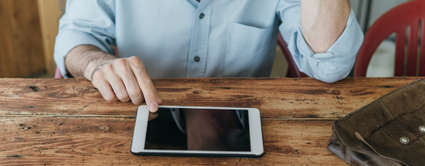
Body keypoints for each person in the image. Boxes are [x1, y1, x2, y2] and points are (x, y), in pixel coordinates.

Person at [55, 0, 363, 112]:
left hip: (241, 133)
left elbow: (331, 64)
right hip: (136, 117)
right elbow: (76, 36)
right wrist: (96, 62)